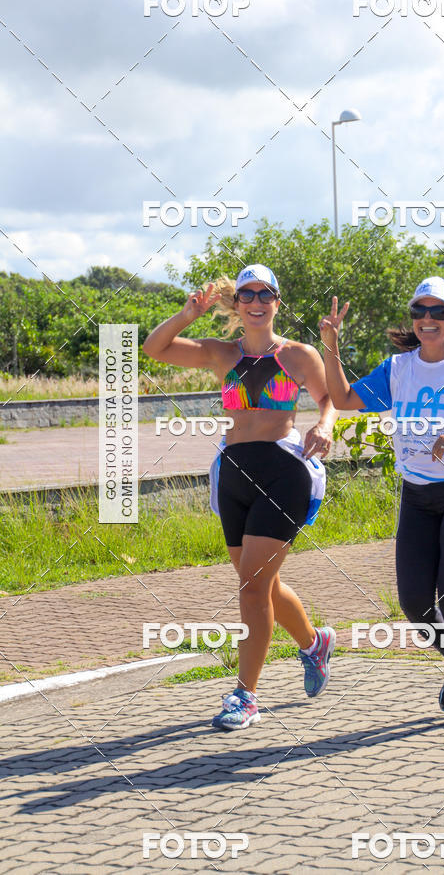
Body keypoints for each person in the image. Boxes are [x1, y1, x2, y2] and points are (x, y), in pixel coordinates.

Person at [319, 276, 444, 728]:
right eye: (419, 312)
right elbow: (342, 398)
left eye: (437, 312)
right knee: (414, 604)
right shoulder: (398, 369)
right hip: (417, 492)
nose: (427, 320)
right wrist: (331, 345)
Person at [143, 264, 337, 730]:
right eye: (246, 295)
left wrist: (324, 425)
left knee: (250, 589)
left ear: (276, 301)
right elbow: (154, 348)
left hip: (283, 473)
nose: (255, 302)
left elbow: (330, 396)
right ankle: (314, 644)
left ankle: (245, 695)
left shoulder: (298, 355)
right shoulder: (221, 355)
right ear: (238, 303)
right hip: (234, 473)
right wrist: (187, 314)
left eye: (264, 294)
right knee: (261, 587)